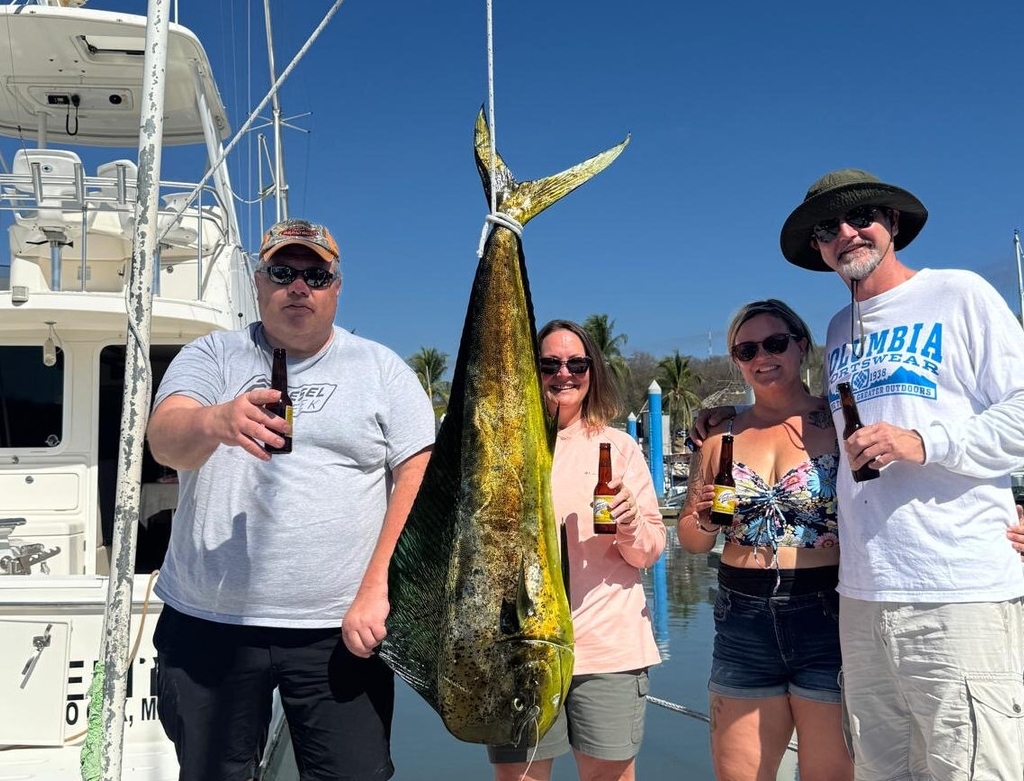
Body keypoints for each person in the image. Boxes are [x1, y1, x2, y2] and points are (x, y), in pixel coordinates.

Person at [147, 219, 434, 781]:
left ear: (336, 286)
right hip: (210, 622)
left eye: (315, 275)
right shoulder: (212, 355)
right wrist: (217, 420)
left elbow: (419, 475)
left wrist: (379, 589)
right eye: (283, 272)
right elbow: (165, 440)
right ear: (259, 283)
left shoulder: (382, 369)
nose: (298, 287)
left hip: (340, 629)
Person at [781, 169, 1024, 780]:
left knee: (971, 767)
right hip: (865, 595)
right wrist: (724, 417)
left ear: (892, 224)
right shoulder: (840, 329)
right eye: (827, 227)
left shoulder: (960, 293)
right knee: (881, 770)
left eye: (861, 216)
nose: (846, 233)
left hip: (958, 589)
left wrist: (924, 442)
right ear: (818, 247)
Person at [679, 299, 852, 781]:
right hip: (742, 618)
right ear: (736, 360)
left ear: (801, 346)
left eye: (775, 343)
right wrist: (710, 520)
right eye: (746, 348)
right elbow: (691, 541)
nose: (762, 356)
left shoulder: (838, 423)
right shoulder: (721, 438)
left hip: (827, 614)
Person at [488, 319, 667, 781]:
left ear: (592, 371)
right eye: (549, 363)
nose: (563, 373)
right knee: (519, 776)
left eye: (576, 363)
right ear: (533, 371)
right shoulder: (501, 450)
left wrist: (628, 522)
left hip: (606, 645)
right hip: (518, 645)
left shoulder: (619, 447)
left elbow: (649, 551)